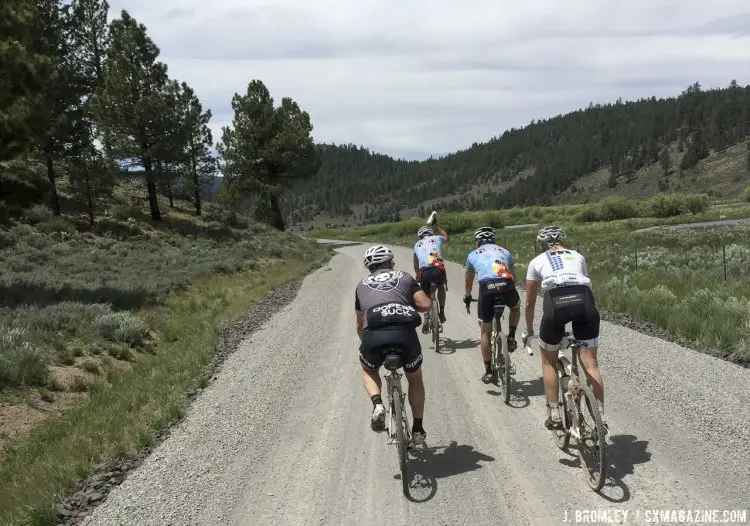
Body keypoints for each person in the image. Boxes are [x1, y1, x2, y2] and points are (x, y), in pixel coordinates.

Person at [520, 226, 606, 432]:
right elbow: (585, 285)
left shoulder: (536, 262)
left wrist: (529, 330)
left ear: (541, 245)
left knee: (548, 361)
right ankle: (601, 419)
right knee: (591, 363)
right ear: (563, 241)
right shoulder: (578, 256)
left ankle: (555, 414)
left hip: (555, 304)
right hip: (584, 300)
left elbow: (529, 302)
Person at [355, 245, 432, 444]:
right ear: (390, 262)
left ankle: (378, 403)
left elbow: (359, 323)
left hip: (374, 337)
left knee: (368, 370)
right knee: (415, 378)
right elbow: (425, 305)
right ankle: (417, 429)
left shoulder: (361, 285)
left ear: (369, 267)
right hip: (404, 335)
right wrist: (404, 304)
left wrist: (368, 346)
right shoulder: (405, 277)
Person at [462, 227, 521, 383]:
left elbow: (468, 280)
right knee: (515, 307)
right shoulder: (505, 251)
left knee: (485, 332)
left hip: (487, 289)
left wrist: (468, 295)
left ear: (478, 242)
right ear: (494, 240)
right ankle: (512, 337)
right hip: (506, 285)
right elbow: (514, 278)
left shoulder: (472, 255)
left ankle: (488, 371)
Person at [413, 223, 449, 334]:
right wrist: (437, 227)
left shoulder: (416, 245)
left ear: (420, 237)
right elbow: (446, 237)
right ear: (430, 234)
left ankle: (426, 318)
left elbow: (416, 265)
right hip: (438, 270)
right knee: (441, 287)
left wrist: (418, 276)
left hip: (425, 273)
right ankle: (441, 311)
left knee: (426, 295)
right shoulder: (436, 238)